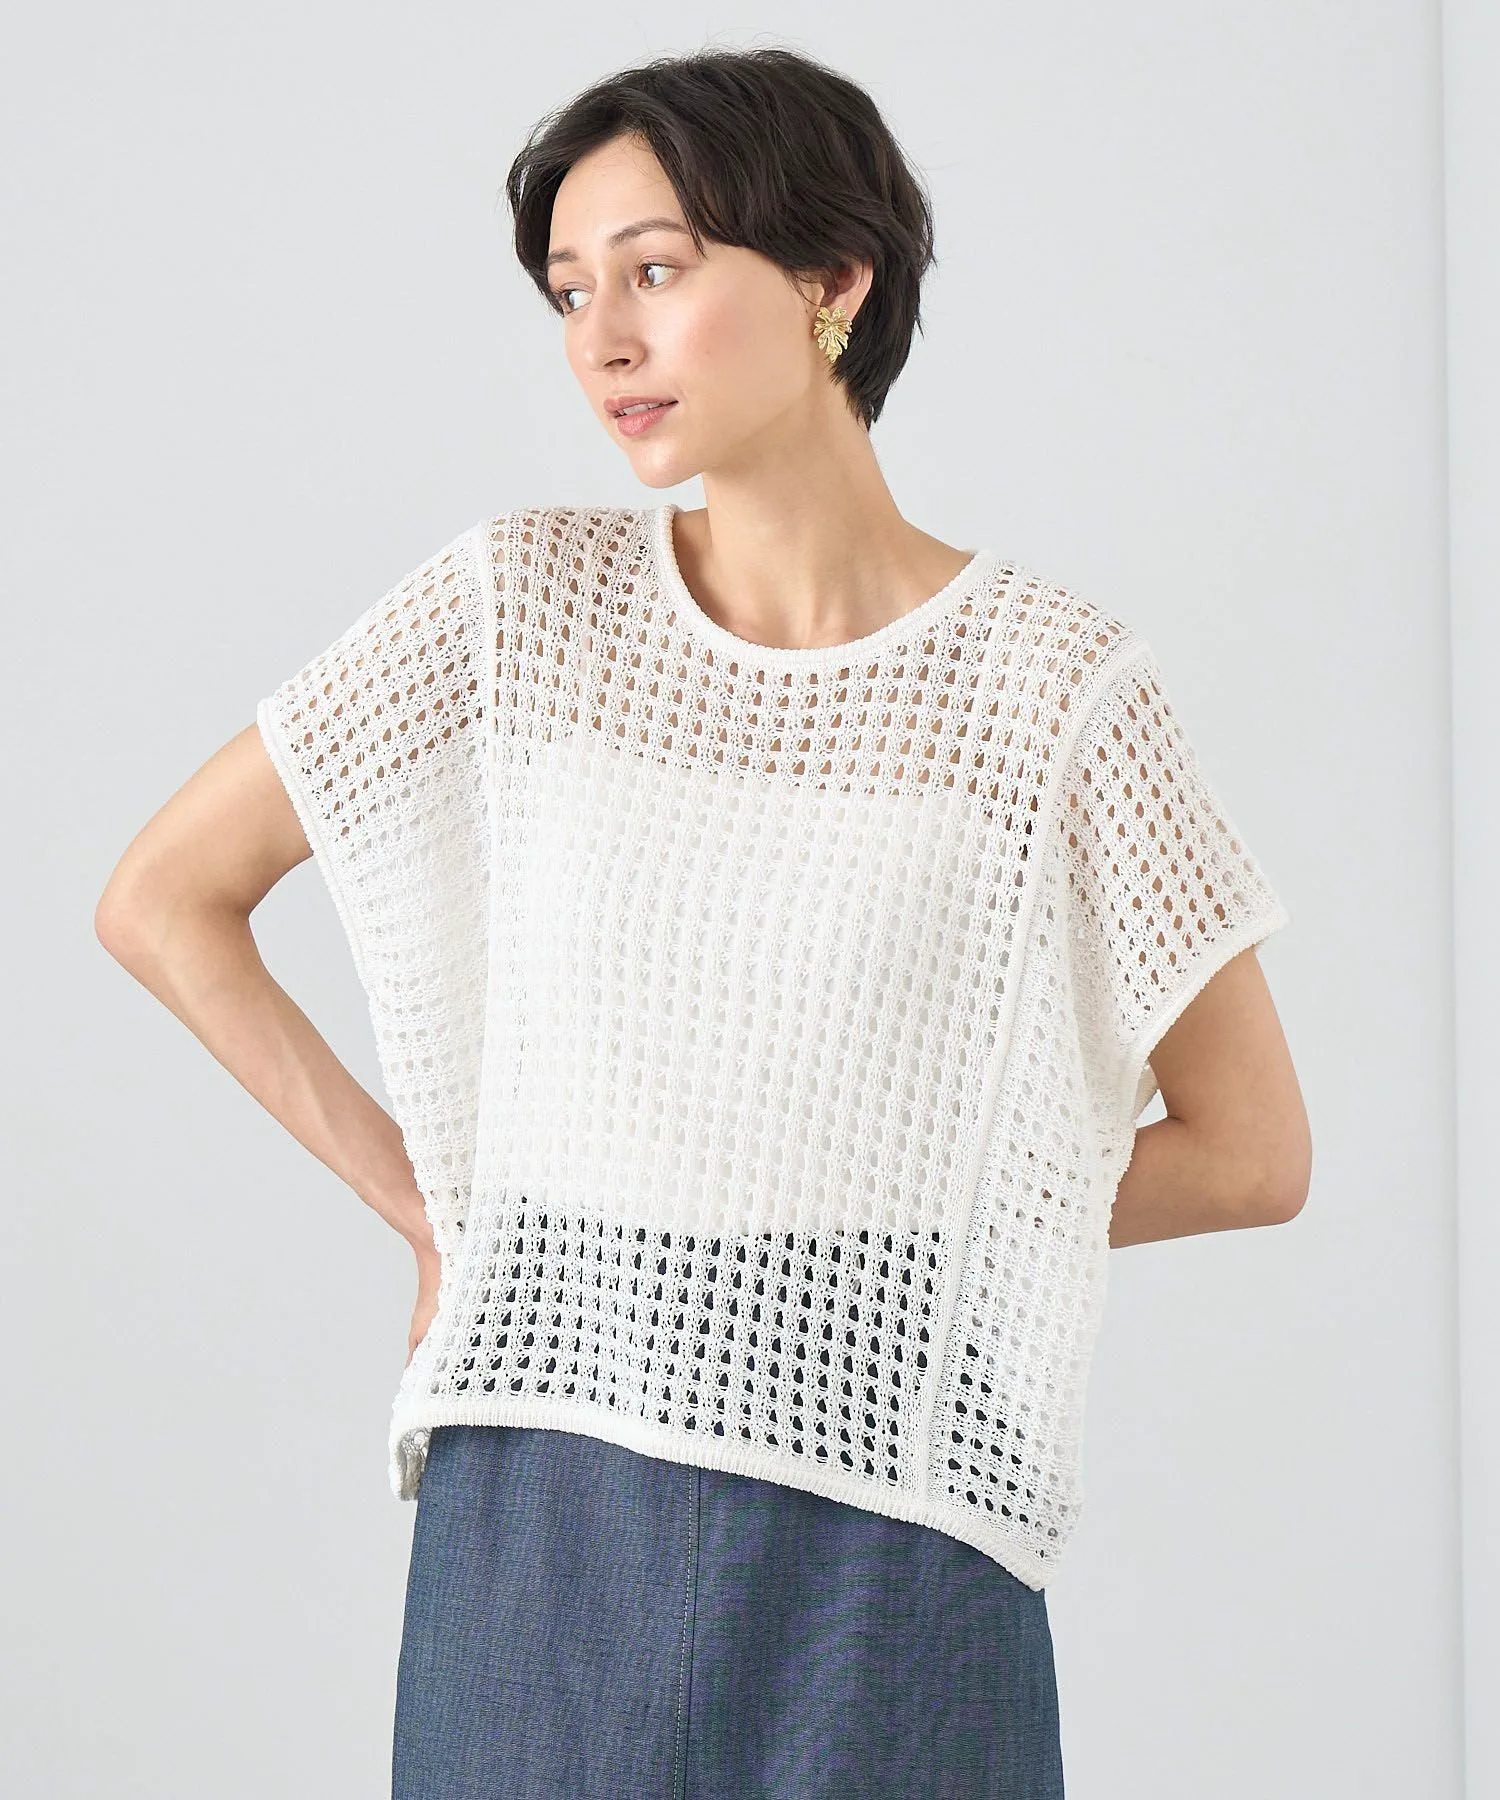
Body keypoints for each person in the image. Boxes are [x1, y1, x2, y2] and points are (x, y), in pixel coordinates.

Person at [95, 43, 1311, 1800]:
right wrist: (432, 1211)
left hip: (890, 1513)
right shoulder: (519, 605)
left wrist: (899, 1221)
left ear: (834, 281)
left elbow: (1256, 1154)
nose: (602, 339)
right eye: (569, 291)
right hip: (548, 1501)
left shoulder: (1052, 691)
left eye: (655, 270)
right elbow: (162, 901)